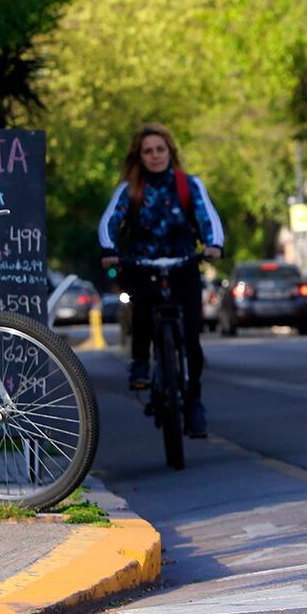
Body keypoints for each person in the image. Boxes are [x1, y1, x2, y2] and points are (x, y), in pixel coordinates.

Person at [99, 123, 224, 437]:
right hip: (143, 266)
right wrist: (109, 249)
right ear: (139, 157)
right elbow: (109, 223)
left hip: (184, 265)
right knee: (141, 309)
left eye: (160, 149)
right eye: (148, 151)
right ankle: (141, 363)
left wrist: (213, 245)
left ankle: (193, 401)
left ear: (170, 152)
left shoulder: (189, 185)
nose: (155, 156)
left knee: (192, 339)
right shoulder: (130, 189)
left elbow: (209, 218)